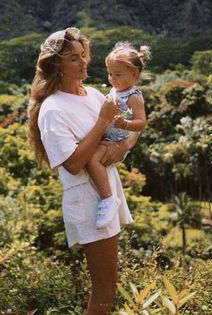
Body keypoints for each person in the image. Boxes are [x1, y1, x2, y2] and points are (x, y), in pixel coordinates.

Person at [27, 27, 138, 315]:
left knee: (109, 285)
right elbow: (74, 163)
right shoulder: (52, 109)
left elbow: (115, 140)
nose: (84, 61)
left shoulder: (92, 95)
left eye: (83, 54)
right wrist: (102, 123)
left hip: (106, 193)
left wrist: (119, 149)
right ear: (57, 66)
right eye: (74, 58)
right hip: (87, 201)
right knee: (104, 286)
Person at [87, 41, 151, 229]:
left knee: (92, 160)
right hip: (108, 136)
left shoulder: (133, 96)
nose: (113, 79)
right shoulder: (116, 90)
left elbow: (142, 123)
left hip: (117, 140)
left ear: (134, 74)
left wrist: (125, 123)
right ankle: (107, 197)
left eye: (118, 75)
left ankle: (108, 199)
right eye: (110, 74)